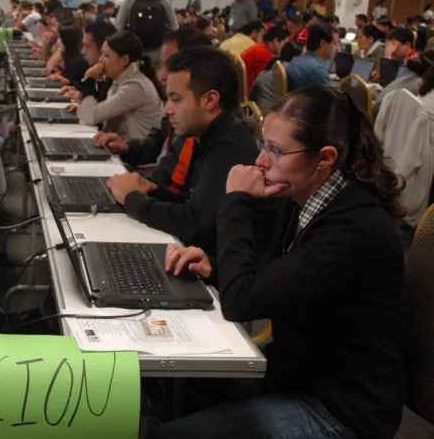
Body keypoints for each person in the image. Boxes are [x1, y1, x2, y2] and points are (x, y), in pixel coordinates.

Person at [151, 84, 404, 439]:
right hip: (298, 376)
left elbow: (242, 302)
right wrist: (214, 266)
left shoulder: (356, 228)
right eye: (263, 145)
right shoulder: (304, 197)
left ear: (325, 157)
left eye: (275, 150)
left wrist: (236, 200)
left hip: (340, 411)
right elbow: (273, 276)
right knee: (184, 386)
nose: (260, 161)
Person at [106, 46, 261, 255]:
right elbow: (196, 203)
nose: (168, 108)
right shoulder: (212, 134)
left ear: (209, 100)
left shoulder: (231, 146)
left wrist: (132, 199)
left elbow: (194, 223)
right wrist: (152, 189)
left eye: (176, 99)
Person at [93, 26, 213, 168]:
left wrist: (88, 79)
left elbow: (92, 116)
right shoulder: (187, 117)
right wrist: (127, 147)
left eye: (172, 65)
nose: (163, 75)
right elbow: (160, 139)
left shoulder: (217, 139)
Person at [75, 31, 164, 140]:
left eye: (106, 55)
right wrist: (82, 108)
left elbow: (89, 117)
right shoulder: (120, 80)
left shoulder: (135, 86)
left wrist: (89, 78)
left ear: (124, 60)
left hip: (134, 155)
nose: (100, 60)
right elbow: (94, 115)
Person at [116, 0, 179, 71]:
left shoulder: (130, 0)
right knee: (157, 80)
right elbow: (175, 27)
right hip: (158, 51)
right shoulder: (163, 1)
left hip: (135, 51)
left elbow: (119, 27)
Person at [60, 21, 119, 106]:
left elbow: (98, 115)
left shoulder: (113, 78)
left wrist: (88, 76)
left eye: (87, 46)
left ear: (103, 48)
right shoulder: (100, 71)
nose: (83, 51)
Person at [284, 24, 338, 90]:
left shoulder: (297, 60)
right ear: (323, 44)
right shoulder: (317, 71)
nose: (337, 48)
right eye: (335, 43)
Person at [241, 26, 290, 91]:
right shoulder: (263, 54)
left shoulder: (260, 47)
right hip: (251, 91)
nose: (286, 48)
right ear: (276, 41)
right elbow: (265, 81)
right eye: (285, 43)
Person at [41, 24, 90, 88]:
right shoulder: (69, 57)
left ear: (68, 41)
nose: (58, 42)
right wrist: (61, 74)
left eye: (61, 39)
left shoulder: (79, 61)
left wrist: (62, 79)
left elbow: (81, 85)